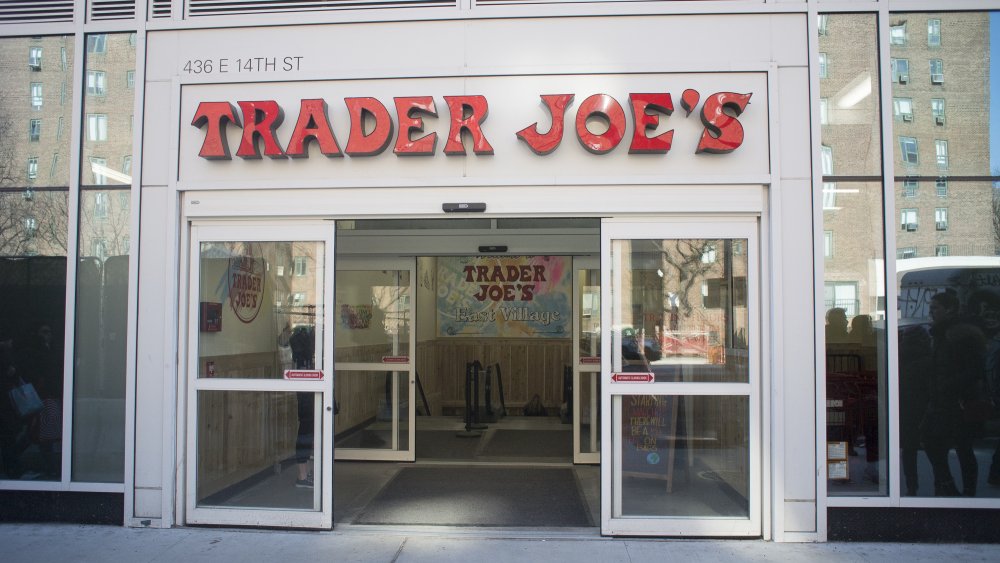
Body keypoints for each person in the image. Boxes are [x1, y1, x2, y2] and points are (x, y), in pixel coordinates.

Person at [920, 290, 986, 496]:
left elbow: (974, 369)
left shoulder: (960, 334)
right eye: (931, 308)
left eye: (935, 308)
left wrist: (949, 386)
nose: (931, 313)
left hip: (958, 401)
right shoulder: (942, 333)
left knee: (962, 446)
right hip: (942, 399)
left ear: (950, 310)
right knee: (934, 439)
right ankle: (949, 486)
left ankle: (964, 492)